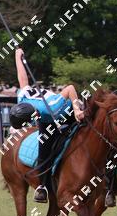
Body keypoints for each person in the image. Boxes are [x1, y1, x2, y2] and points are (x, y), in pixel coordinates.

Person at [14, 48, 85, 203]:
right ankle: (42, 187)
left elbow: (70, 88)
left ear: (34, 114)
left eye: (31, 120)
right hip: (47, 121)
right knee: (44, 150)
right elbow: (23, 79)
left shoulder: (50, 107)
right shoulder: (22, 98)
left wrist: (77, 110)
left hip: (67, 110)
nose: (32, 123)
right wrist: (18, 57)